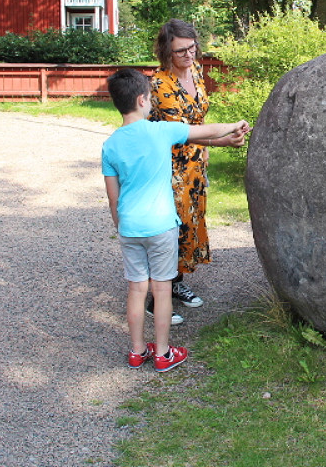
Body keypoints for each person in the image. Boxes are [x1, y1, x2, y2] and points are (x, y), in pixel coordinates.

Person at [102, 67, 249, 371]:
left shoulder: (110, 145)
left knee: (136, 289)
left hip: (129, 228)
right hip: (160, 226)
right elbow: (205, 131)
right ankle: (163, 353)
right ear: (144, 100)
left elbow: (112, 196)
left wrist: (120, 224)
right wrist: (235, 125)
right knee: (162, 288)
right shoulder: (160, 130)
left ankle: (137, 350)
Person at [148, 19, 247, 320]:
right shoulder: (159, 85)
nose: (189, 55)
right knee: (169, 230)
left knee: (188, 227)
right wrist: (223, 137)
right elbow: (183, 131)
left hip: (194, 166)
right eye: (181, 51)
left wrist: (219, 144)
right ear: (166, 52)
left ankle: (175, 284)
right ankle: (154, 298)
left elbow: (198, 124)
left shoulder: (197, 73)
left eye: (192, 48)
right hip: (168, 168)